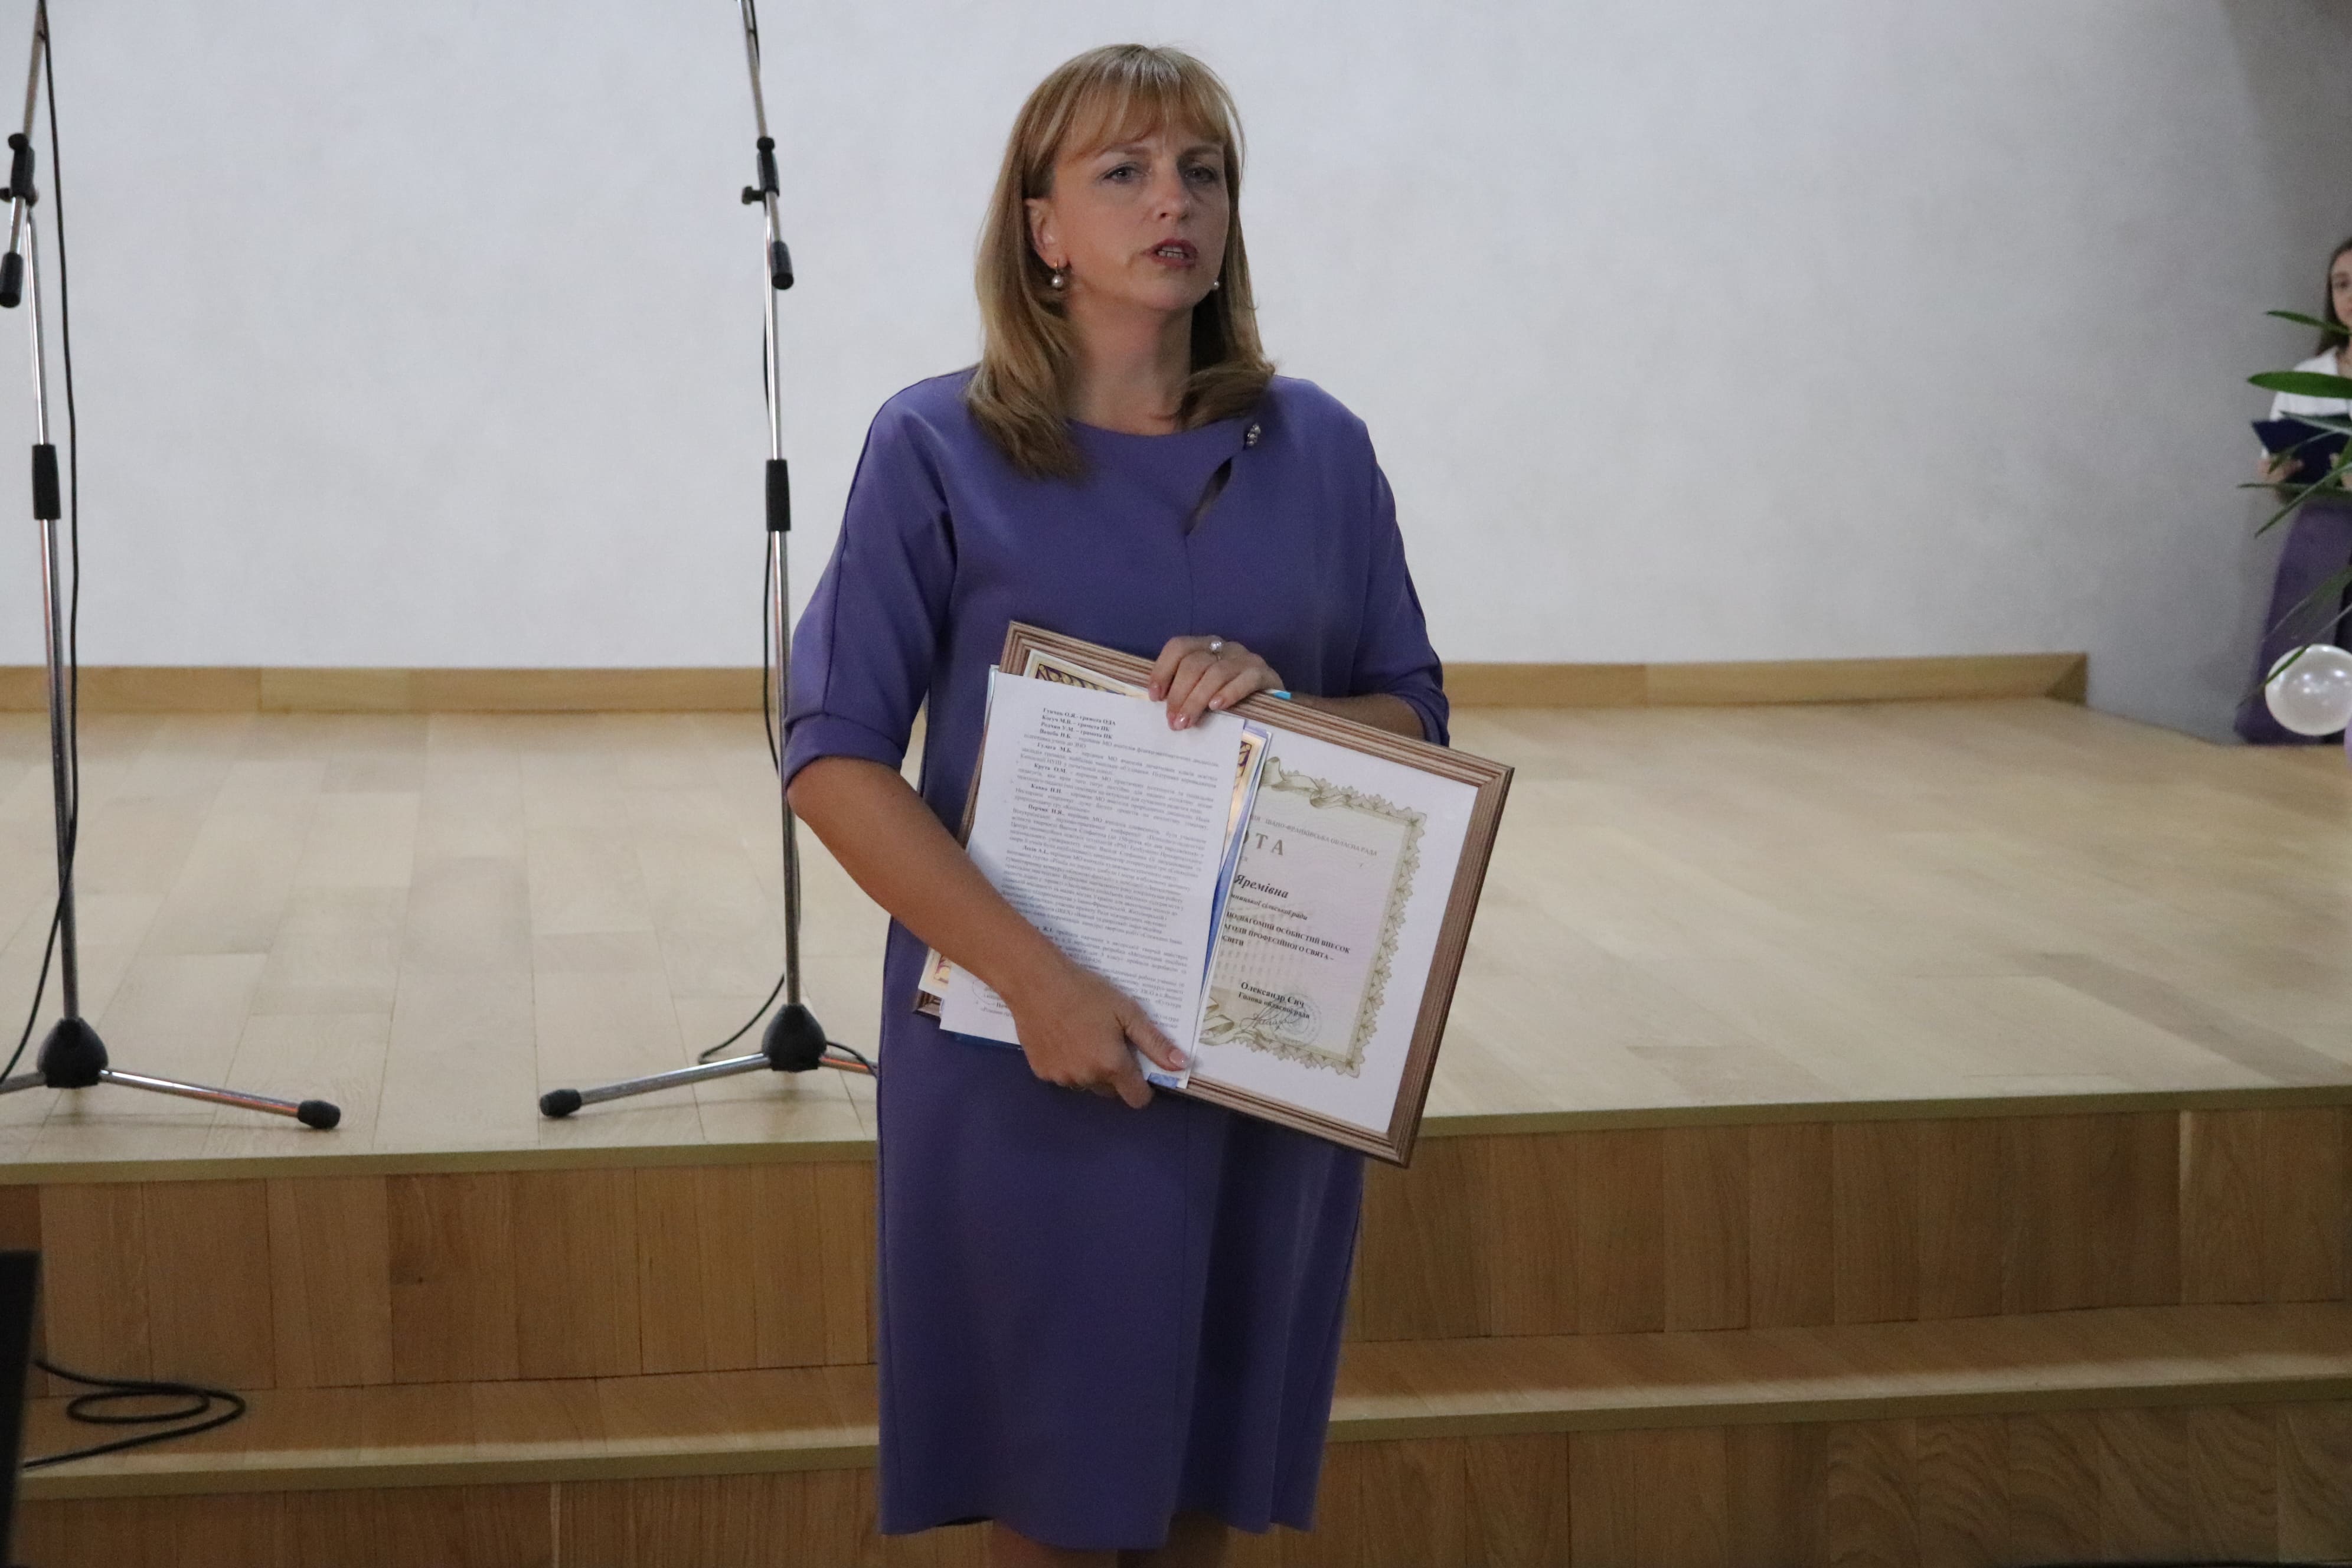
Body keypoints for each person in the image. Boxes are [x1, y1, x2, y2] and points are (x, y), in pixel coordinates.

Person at [779, 44, 1446, 1568]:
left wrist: (1282, 710)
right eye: (1125, 172)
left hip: (1259, 1041)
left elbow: (1415, 713)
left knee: (1204, 1492)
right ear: (1044, 230)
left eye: (1203, 172)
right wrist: (1042, 985)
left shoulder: (1323, 447)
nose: (1175, 203)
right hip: (1032, 1047)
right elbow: (832, 756)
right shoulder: (935, 445)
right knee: (1063, 1499)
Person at [2239, 236, 2352, 743]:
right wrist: (2279, 473)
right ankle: (2280, 745)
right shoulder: (2308, 377)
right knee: (2300, 638)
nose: (2350, 296)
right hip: (2320, 531)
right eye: (2341, 284)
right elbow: (2280, 468)